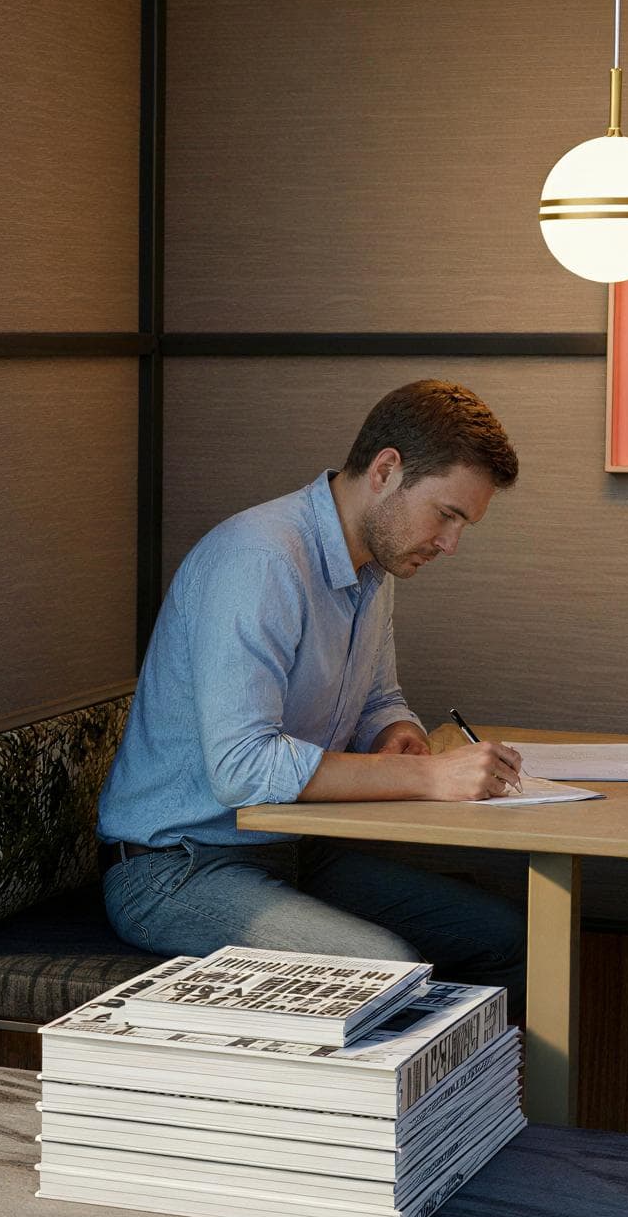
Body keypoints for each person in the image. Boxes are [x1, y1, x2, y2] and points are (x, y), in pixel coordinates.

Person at [95, 378, 530, 996]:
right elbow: (241, 768)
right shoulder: (262, 560)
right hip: (176, 868)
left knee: (504, 935)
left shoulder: (375, 569)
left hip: (291, 848)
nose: (450, 544)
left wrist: (395, 731)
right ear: (386, 470)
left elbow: (379, 696)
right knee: (384, 968)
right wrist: (430, 776)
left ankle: (483, 1098)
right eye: (446, 514)